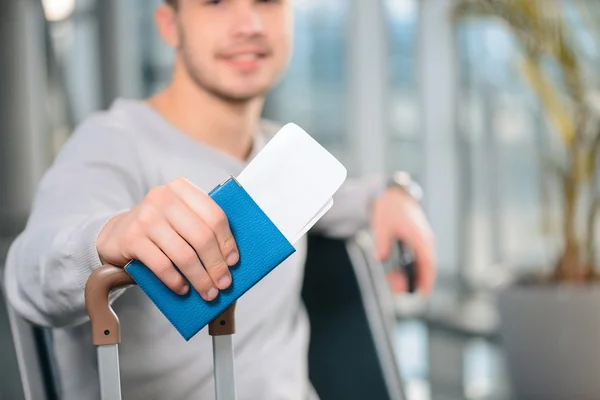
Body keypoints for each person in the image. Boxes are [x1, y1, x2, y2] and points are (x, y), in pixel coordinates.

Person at [3, 0, 436, 399]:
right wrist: (110, 235)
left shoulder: (276, 156)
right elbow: (31, 271)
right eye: (215, 1)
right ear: (170, 25)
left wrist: (394, 192)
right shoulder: (111, 143)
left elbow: (347, 195)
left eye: (266, 1)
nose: (248, 24)